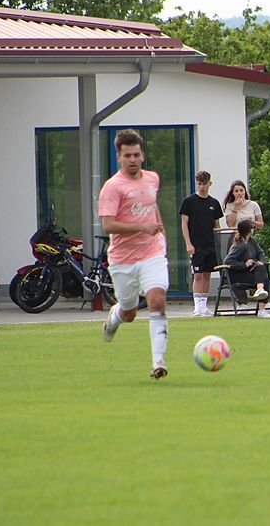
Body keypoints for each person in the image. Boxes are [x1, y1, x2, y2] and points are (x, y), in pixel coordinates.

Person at [98, 129, 170, 379]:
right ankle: (114, 317)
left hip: (152, 251)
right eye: (127, 155)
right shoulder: (112, 187)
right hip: (123, 259)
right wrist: (142, 227)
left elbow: (152, 207)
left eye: (136, 155)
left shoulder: (152, 179)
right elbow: (108, 225)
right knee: (129, 313)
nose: (132, 160)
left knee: (157, 300)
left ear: (142, 155)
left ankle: (158, 363)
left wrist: (161, 234)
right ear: (118, 156)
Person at [179, 170, 224, 316]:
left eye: (204, 184)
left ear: (210, 183)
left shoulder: (214, 203)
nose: (202, 187)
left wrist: (218, 243)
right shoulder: (189, 202)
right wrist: (188, 243)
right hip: (196, 244)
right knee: (197, 275)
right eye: (199, 184)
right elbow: (184, 223)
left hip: (210, 244)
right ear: (196, 183)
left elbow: (217, 225)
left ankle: (204, 306)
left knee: (207, 274)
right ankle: (197, 307)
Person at [223, 219, 270, 318]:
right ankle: (262, 308)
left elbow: (260, 252)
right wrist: (244, 264)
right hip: (238, 275)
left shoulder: (251, 241)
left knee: (261, 268)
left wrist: (261, 261)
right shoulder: (240, 245)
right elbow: (228, 261)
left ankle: (260, 291)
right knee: (264, 278)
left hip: (250, 273)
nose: (254, 229)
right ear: (248, 230)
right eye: (253, 227)